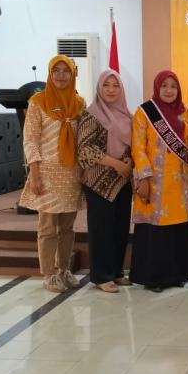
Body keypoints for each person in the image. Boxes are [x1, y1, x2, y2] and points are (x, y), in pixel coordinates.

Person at [129, 70, 188, 292]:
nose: (169, 90)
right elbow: (138, 147)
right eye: (164, 86)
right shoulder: (144, 112)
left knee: (178, 229)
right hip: (155, 183)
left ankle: (177, 275)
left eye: (173, 86)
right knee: (156, 231)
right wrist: (143, 179)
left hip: (181, 183)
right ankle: (155, 278)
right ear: (157, 87)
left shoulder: (186, 112)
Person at [19, 54, 85, 293]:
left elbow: (83, 139)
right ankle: (48, 274)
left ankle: (63, 269)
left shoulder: (79, 103)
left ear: (73, 74)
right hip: (46, 172)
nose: (61, 75)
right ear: (49, 74)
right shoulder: (38, 101)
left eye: (66, 71)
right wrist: (34, 172)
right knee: (47, 227)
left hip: (71, 173)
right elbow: (30, 139)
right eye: (56, 70)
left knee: (67, 227)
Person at [77, 70, 133, 293]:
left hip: (122, 180)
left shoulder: (127, 116)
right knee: (101, 230)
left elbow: (133, 145)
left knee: (120, 228)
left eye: (115, 85)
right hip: (98, 181)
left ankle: (117, 272)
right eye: (106, 85)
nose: (111, 89)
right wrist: (115, 163)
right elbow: (84, 149)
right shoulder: (91, 114)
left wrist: (129, 159)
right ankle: (101, 276)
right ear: (99, 88)